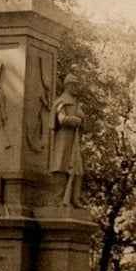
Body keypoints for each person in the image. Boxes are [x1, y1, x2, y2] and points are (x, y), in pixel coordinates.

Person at [50, 76, 84, 207]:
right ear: (68, 85)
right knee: (61, 166)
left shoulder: (76, 104)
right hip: (63, 138)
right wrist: (75, 120)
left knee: (78, 169)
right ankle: (59, 199)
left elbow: (82, 124)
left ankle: (75, 199)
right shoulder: (62, 101)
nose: (77, 88)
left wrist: (82, 120)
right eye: (75, 85)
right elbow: (62, 119)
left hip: (74, 139)